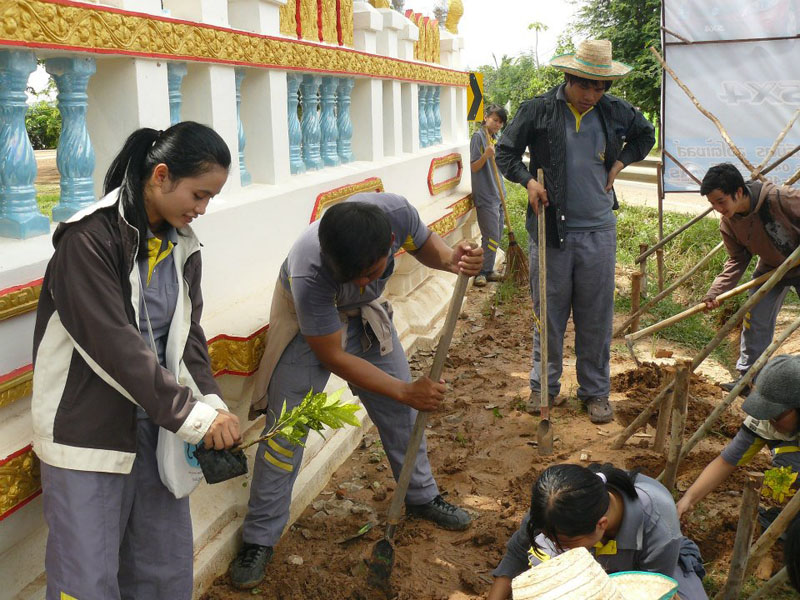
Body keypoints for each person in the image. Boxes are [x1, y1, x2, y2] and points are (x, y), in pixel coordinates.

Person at [229, 193, 483, 589]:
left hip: (365, 318)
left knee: (402, 415)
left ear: (389, 244)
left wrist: (454, 259)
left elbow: (430, 248)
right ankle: (259, 539)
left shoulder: (396, 215)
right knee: (286, 432)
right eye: (354, 277)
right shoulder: (310, 270)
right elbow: (333, 356)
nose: (364, 282)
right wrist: (403, 388)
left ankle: (419, 496)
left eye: (371, 273)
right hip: (306, 329)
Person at [32, 122, 241, 600]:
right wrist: (193, 415)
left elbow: (188, 337)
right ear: (161, 176)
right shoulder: (87, 240)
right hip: (90, 435)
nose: (202, 209)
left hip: (160, 428)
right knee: (86, 581)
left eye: (210, 199)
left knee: (162, 572)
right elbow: (114, 346)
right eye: (199, 194)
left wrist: (211, 401)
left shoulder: (182, 244)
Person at [495, 39, 655, 424]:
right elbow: (505, 152)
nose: (591, 94)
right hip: (550, 230)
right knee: (547, 316)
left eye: (599, 87)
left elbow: (645, 135)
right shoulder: (539, 109)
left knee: (596, 317)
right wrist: (528, 182)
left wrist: (620, 163)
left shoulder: (614, 111)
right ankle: (543, 388)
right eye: (585, 85)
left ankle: (596, 392)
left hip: (599, 231)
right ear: (569, 78)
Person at [487, 463, 708, 600]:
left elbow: (652, 589)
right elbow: (516, 557)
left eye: (565, 544)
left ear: (601, 525)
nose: (557, 549)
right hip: (593, 564)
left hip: (651, 570)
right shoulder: (553, 507)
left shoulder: (659, 528)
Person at [700, 163, 800, 395]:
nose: (717, 208)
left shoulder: (780, 198)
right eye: (712, 204)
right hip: (771, 268)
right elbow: (737, 260)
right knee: (754, 316)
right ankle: (749, 380)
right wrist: (715, 293)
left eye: (720, 201)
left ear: (738, 191)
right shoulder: (729, 223)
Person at [677, 355, 800, 525]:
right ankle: (787, 510)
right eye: (766, 413)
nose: (770, 421)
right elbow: (727, 461)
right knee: (784, 473)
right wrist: (688, 499)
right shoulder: (765, 420)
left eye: (776, 415)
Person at [470, 104, 509, 287]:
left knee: (497, 234)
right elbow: (474, 167)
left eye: (500, 122)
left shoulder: (496, 137)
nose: (497, 124)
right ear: (486, 118)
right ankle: (481, 272)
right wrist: (485, 155)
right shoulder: (478, 137)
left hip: (498, 193)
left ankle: (489, 268)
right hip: (485, 194)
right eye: (495, 120)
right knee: (491, 235)